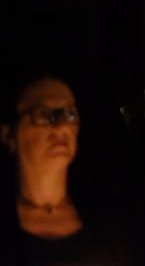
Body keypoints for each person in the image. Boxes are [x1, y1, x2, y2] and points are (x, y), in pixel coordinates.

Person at [1, 69, 132, 265]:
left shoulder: (108, 222)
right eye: (43, 115)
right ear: (8, 135)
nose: (61, 127)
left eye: (70, 115)